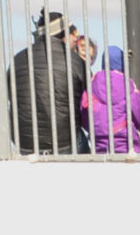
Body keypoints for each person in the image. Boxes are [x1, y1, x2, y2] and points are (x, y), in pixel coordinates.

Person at [7, 9, 88, 156]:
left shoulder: (17, 60)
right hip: (65, 142)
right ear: (64, 34)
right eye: (73, 33)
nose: (76, 39)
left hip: (26, 144)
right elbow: (89, 100)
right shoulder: (75, 61)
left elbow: (9, 97)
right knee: (84, 144)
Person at [83, 45, 140, 155]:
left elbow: (85, 119)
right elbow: (139, 118)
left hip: (100, 147)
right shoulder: (129, 85)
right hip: (127, 147)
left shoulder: (91, 86)